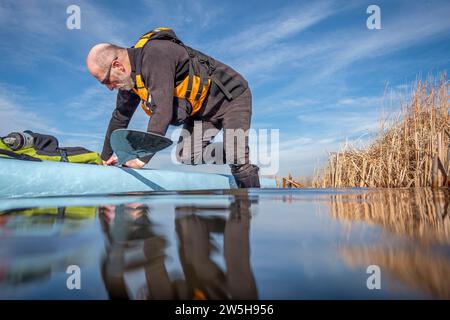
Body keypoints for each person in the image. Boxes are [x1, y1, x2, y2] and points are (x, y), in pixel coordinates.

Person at [86, 27, 260, 188]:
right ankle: (234, 150)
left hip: (231, 97)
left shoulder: (156, 54)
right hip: (200, 112)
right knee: (186, 155)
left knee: (239, 163)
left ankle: (241, 165)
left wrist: (142, 158)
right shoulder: (128, 82)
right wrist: (104, 159)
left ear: (117, 65)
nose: (109, 87)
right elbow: (120, 117)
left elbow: (162, 110)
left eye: (106, 81)